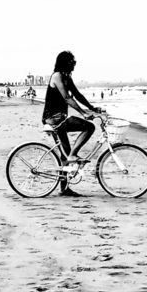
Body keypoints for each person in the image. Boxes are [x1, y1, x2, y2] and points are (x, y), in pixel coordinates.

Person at [42, 51, 103, 196]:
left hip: (59, 117)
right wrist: (83, 113)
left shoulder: (67, 77)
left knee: (65, 154)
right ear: (65, 63)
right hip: (54, 118)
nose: (74, 64)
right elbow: (67, 98)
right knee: (89, 127)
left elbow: (77, 95)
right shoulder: (57, 76)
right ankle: (73, 155)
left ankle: (64, 189)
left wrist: (92, 108)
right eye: (71, 62)